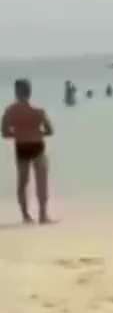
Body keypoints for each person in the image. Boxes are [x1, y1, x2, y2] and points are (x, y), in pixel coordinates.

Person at [1, 79, 54, 224]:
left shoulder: (10, 111)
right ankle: (43, 216)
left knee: (23, 183)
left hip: (21, 147)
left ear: (16, 92)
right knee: (41, 182)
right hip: (37, 146)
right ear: (29, 92)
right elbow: (50, 131)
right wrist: (37, 132)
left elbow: (4, 133)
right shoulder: (38, 112)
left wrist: (18, 134)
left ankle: (25, 216)